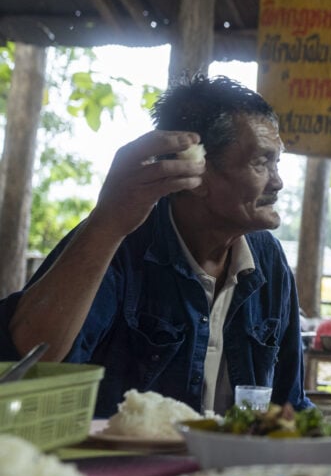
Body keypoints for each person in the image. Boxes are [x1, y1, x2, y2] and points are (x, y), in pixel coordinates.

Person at [0, 75, 312, 417]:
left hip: (233, 471)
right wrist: (106, 222)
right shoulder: (117, 240)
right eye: (261, 163)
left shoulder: (268, 259)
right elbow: (29, 363)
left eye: (276, 162)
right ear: (197, 172)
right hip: (118, 469)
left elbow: (288, 404)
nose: (278, 182)